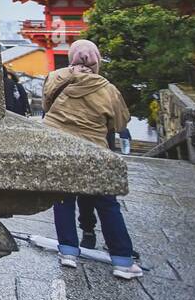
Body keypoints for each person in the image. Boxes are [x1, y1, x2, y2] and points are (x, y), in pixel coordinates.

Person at [42, 39, 142, 279]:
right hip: (93, 151)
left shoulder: (54, 77)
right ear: (96, 61)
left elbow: (47, 106)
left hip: (60, 147)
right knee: (107, 203)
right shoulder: (107, 89)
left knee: (63, 199)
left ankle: (67, 252)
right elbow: (119, 123)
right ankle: (122, 260)